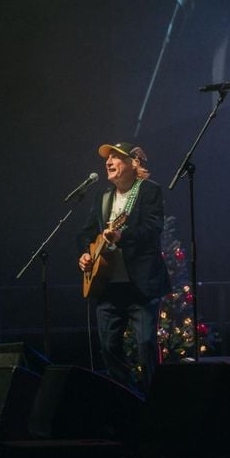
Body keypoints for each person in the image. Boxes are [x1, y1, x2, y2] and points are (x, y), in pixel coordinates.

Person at [77, 141, 170, 395]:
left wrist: (122, 236)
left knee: (146, 344)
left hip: (141, 286)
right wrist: (85, 254)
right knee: (108, 346)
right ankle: (127, 396)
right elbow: (86, 233)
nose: (108, 162)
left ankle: (153, 399)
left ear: (133, 162)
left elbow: (153, 228)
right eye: (107, 158)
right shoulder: (103, 196)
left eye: (115, 157)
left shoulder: (149, 190)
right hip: (108, 286)